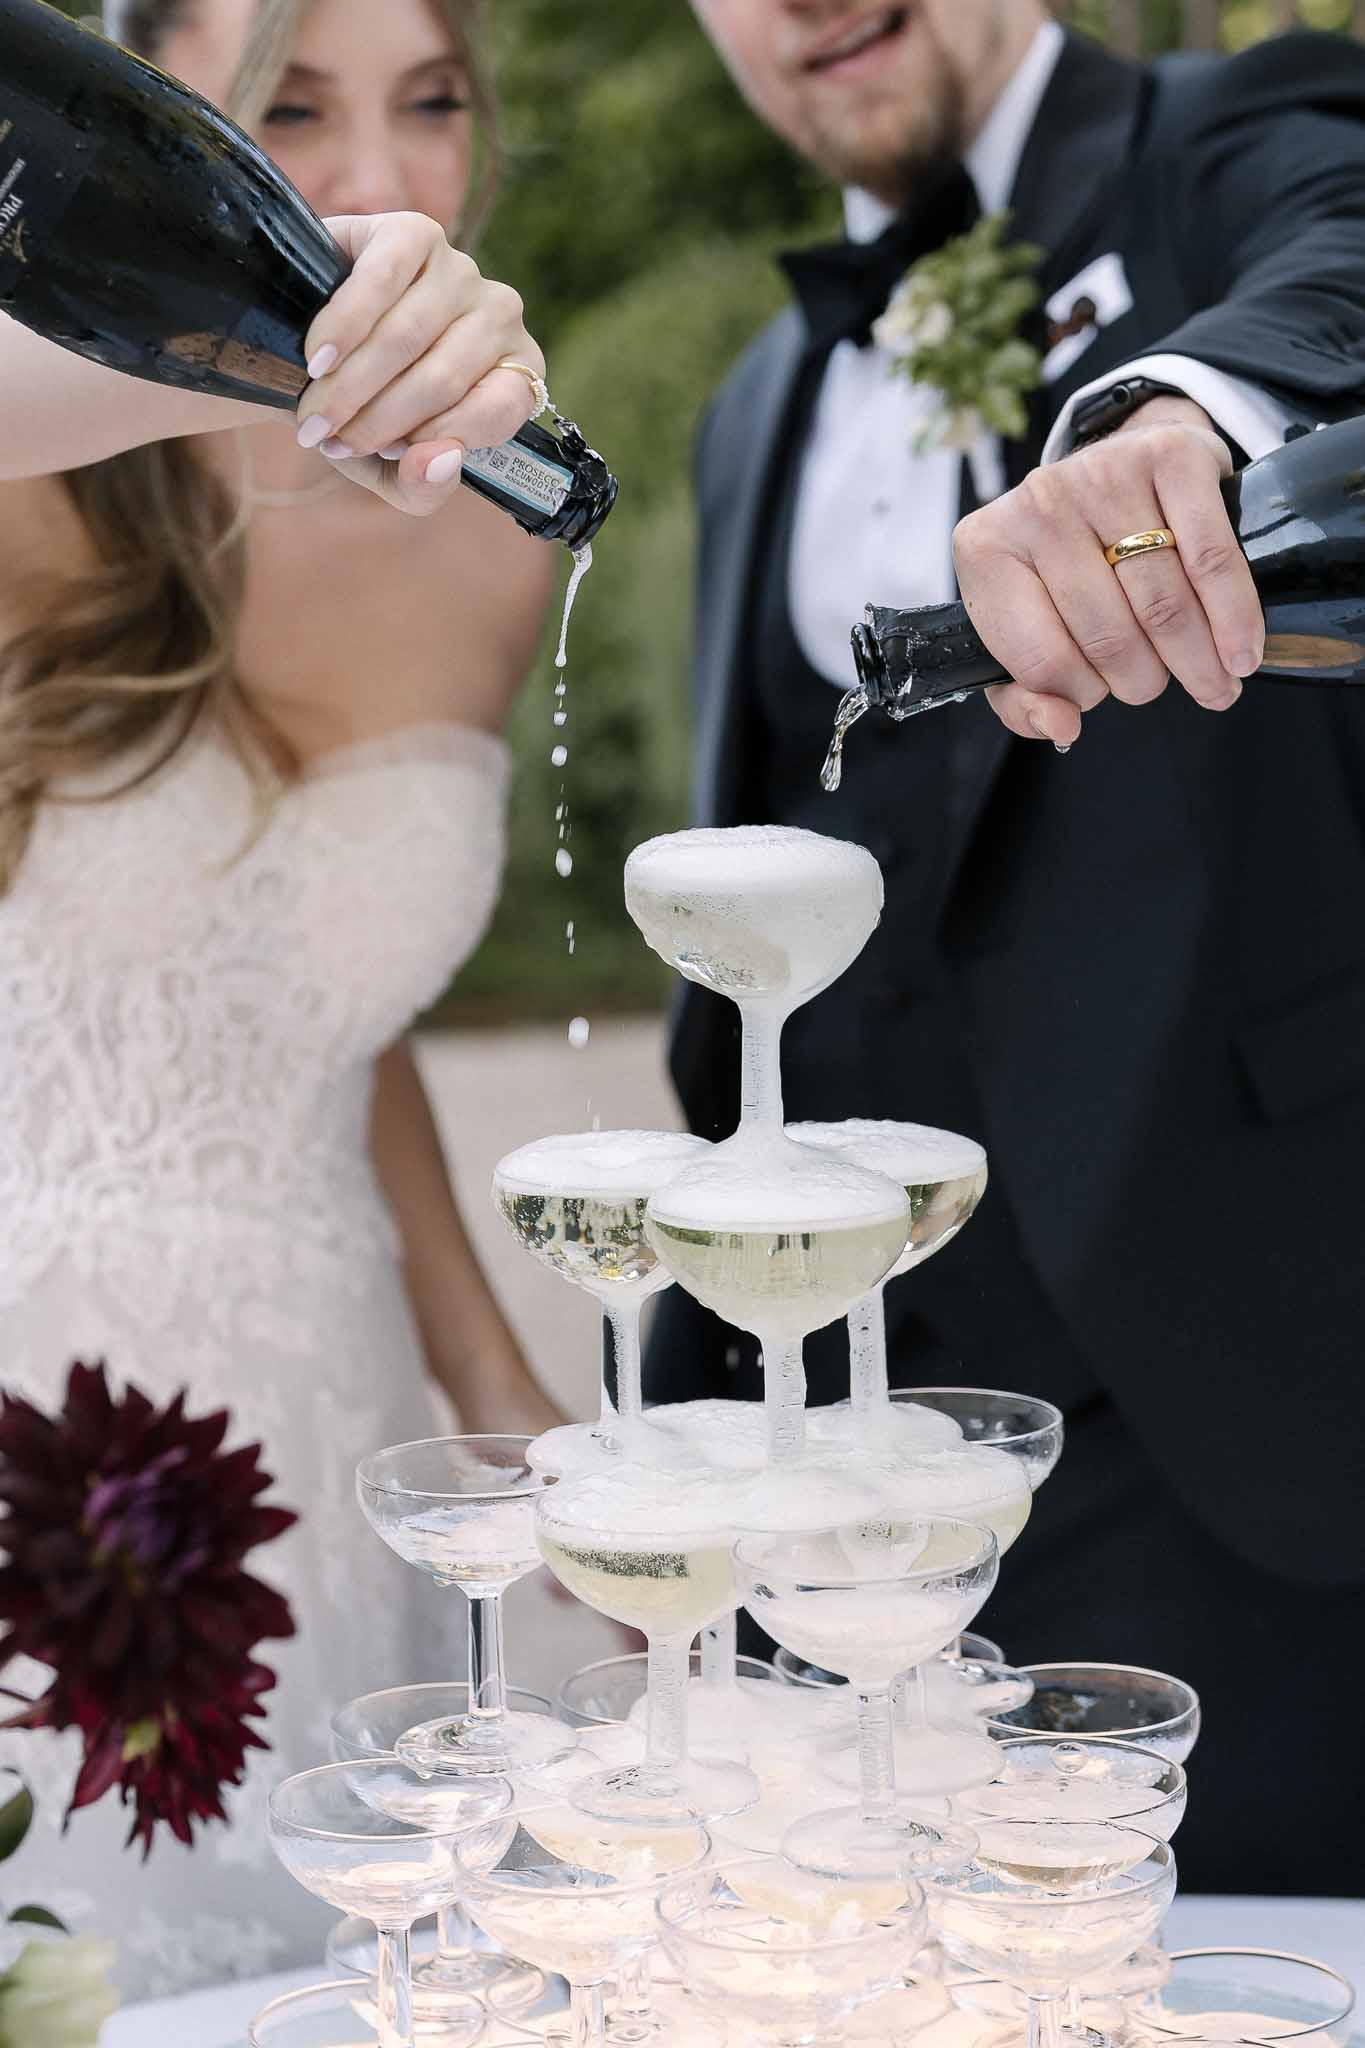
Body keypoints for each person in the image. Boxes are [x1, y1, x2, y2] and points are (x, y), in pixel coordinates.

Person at [649, 0, 1365, 1893]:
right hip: (824, 1497)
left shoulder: (1234, 136)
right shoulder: (748, 408)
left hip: (1238, 1436)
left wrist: (1184, 410)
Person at [0, 0, 570, 1997]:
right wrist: (189, 347)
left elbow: (320, 1002)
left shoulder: (502, 541)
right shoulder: (33, 464)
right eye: (285, 112)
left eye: (429, 105)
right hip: (42, 1403)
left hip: (333, 1419)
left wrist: (497, 1394)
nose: (372, 179)